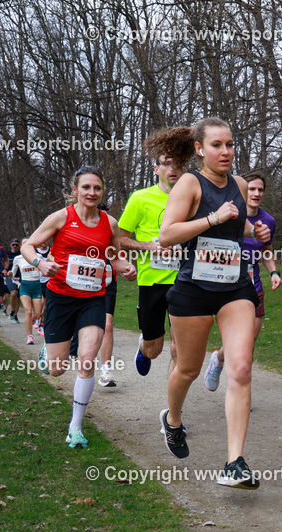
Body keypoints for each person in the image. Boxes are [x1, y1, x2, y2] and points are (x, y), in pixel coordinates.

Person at [157, 118, 270, 489]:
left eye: (230, 144)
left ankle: (235, 462)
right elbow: (167, 235)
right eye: (217, 145)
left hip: (234, 287)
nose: (226, 152)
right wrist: (212, 217)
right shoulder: (190, 183)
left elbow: (238, 225)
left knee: (241, 368)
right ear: (199, 149)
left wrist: (255, 229)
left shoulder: (239, 185)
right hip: (194, 288)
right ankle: (172, 420)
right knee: (187, 369)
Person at [23, 165, 135, 448]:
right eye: (86, 187)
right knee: (57, 369)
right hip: (60, 298)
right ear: (75, 190)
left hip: (93, 298)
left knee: (86, 360)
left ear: (103, 191)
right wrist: (39, 263)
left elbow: (114, 257)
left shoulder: (110, 223)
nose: (92, 193)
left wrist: (126, 267)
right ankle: (48, 352)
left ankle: (75, 426)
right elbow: (28, 245)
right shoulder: (61, 217)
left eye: (97, 188)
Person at [118, 127, 191, 381]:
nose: (173, 168)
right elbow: (120, 239)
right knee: (154, 349)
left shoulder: (193, 198)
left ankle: (173, 402)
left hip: (185, 280)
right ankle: (143, 346)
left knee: (179, 348)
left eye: (178, 163)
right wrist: (150, 246)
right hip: (151, 281)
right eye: (167, 163)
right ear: (156, 169)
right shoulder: (140, 198)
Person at [204, 171, 281, 391]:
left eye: (260, 190)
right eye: (251, 189)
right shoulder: (228, 214)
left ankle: (238, 388)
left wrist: (274, 272)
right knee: (235, 342)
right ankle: (221, 362)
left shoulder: (268, 221)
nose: (256, 193)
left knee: (248, 344)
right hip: (225, 287)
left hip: (253, 288)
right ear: (242, 191)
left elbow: (266, 250)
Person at [11, 238, 43, 344]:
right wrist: (15, 280)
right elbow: (12, 274)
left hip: (36, 286)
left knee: (37, 314)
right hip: (25, 286)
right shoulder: (18, 258)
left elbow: (43, 271)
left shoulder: (39, 257)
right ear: (22, 247)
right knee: (28, 312)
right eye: (24, 244)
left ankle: (33, 320)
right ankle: (30, 336)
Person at [5, 239, 22, 322]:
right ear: (11, 245)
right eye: (13, 244)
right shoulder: (7, 253)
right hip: (11, 277)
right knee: (13, 293)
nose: (15, 246)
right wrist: (4, 270)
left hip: (21, 277)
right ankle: (12, 310)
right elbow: (1, 261)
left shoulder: (22, 254)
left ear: (19, 246)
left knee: (18, 298)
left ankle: (15, 315)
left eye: (16, 245)